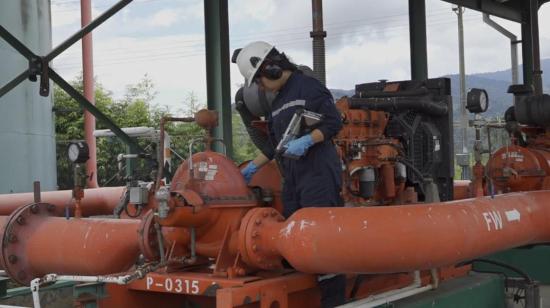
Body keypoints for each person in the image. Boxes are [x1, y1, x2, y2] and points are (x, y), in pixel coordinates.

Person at [233, 41, 346, 308]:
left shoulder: (308, 87)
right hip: (293, 174)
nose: (260, 87)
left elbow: (333, 122)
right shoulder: (278, 102)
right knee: (293, 231)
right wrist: (252, 167)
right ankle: (306, 285)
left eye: (260, 81)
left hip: (317, 170)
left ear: (272, 69)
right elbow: (275, 146)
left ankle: (333, 301)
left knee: (321, 235)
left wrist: (308, 140)